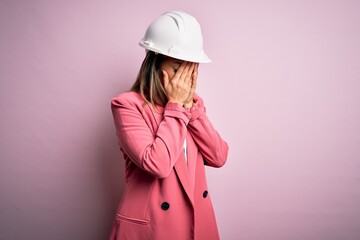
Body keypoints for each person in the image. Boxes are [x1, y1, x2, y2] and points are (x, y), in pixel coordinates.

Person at [109, 11, 229, 240]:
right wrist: (175, 106)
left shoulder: (192, 108)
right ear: (154, 64)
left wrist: (191, 110)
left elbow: (219, 156)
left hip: (197, 223)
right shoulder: (127, 105)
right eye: (176, 68)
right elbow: (158, 164)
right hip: (154, 227)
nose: (182, 79)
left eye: (190, 69)